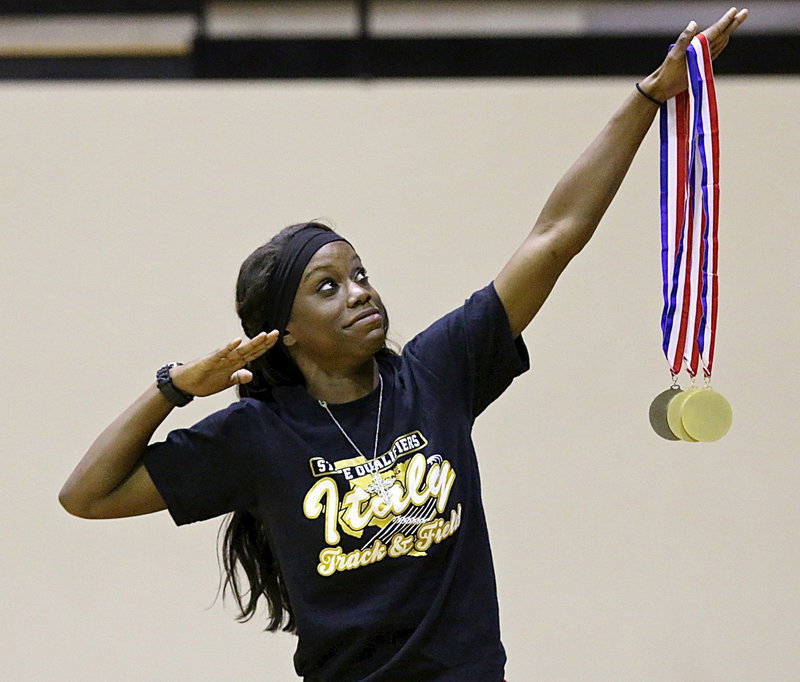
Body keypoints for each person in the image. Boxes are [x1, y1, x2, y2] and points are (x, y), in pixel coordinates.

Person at [59, 9, 748, 681]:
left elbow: (556, 233)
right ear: (284, 330)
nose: (359, 291)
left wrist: (648, 98)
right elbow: (86, 496)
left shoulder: (438, 372)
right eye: (327, 287)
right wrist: (173, 387)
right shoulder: (256, 436)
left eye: (359, 274)